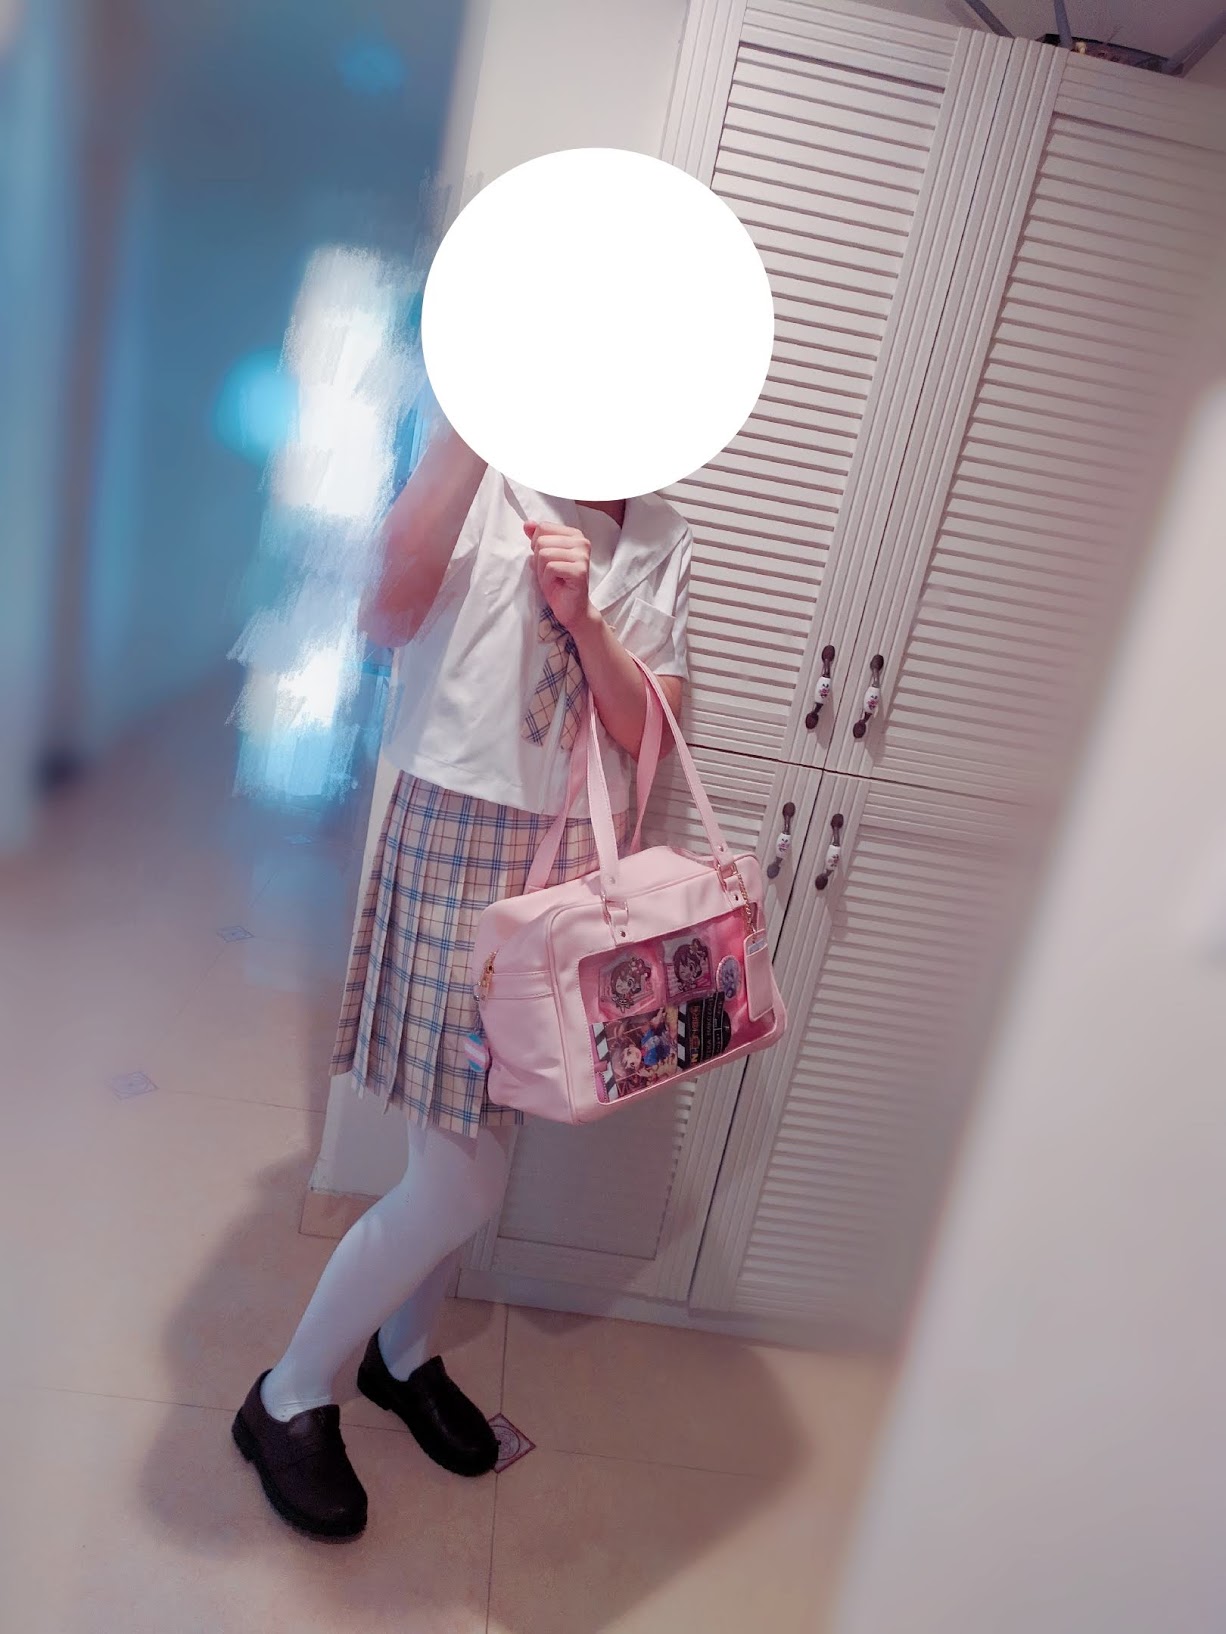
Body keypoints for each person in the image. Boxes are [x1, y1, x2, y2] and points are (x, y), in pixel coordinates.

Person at [232, 418, 693, 1540]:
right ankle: (288, 1392)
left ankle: (402, 1353)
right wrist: (468, 430)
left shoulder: (661, 530)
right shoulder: (487, 458)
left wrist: (586, 622)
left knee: (487, 1130)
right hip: (452, 833)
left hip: (566, 864)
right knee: (461, 1177)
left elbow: (651, 726)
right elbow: (385, 614)